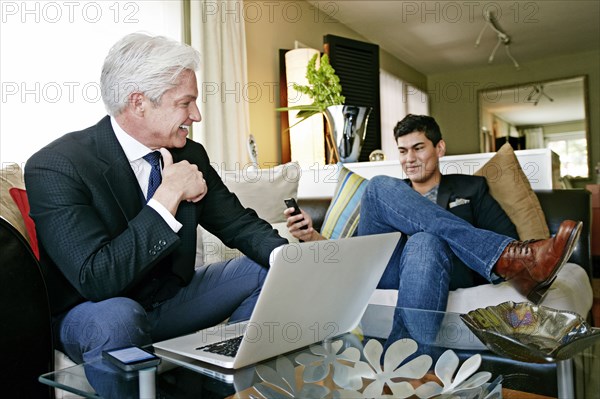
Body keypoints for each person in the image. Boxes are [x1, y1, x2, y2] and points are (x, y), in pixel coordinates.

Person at [25, 33, 288, 367]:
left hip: (170, 301)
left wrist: (288, 258)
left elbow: (238, 224)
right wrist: (167, 196)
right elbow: (97, 279)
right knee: (119, 317)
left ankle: (219, 379)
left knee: (271, 269)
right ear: (139, 103)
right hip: (94, 312)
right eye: (184, 103)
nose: (196, 115)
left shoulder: (190, 155)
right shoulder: (58, 165)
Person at [286, 114, 582, 348]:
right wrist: (312, 236)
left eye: (418, 148)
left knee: (425, 241)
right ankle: (511, 261)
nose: (409, 159)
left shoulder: (471, 188)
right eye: (402, 151)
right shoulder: (392, 194)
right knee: (376, 187)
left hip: (445, 268)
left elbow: (504, 231)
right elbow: (355, 253)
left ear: (439, 148)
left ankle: (408, 365)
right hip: (386, 270)